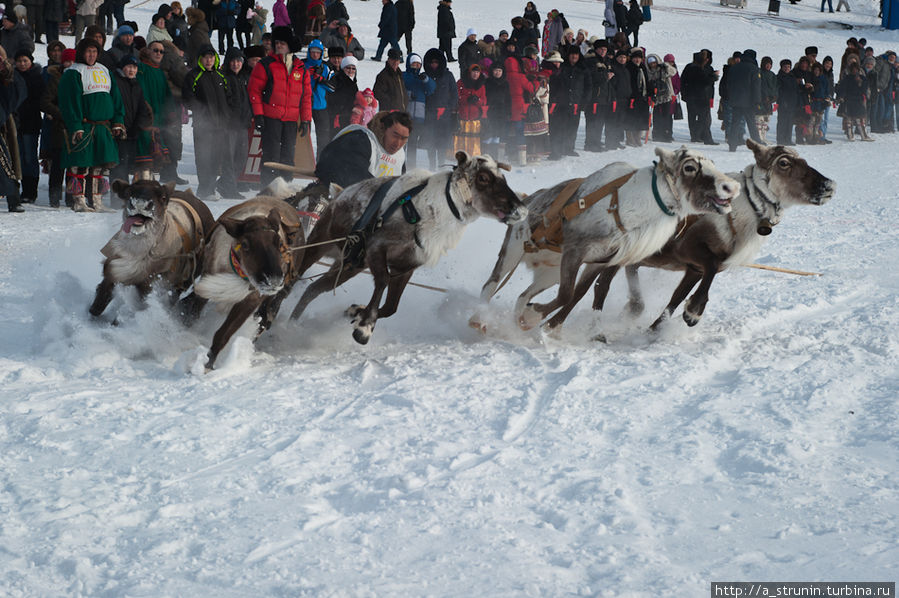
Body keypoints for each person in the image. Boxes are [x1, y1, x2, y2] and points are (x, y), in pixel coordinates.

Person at [58, 38, 126, 211]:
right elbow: (70, 103)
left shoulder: (105, 71)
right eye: (88, 51)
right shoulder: (73, 72)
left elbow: (116, 98)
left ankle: (97, 201)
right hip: (85, 126)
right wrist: (75, 126)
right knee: (80, 165)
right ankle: (78, 201)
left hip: (103, 127)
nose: (91, 55)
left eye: (94, 51)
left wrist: (118, 121)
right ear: (81, 52)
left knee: (100, 166)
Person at [247, 26, 312, 186]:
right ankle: (268, 187)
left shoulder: (301, 68)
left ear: (290, 44)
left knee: (288, 156)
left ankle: (286, 187)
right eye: (277, 43)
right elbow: (254, 91)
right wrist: (259, 115)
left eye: (282, 43)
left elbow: (306, 96)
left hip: (290, 120)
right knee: (271, 156)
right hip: (271, 118)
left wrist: (305, 120)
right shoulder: (265, 64)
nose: (279, 46)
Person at [183, 45, 233, 198]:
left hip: (221, 125)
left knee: (216, 158)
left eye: (211, 57)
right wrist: (202, 111)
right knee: (204, 157)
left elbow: (229, 97)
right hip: (203, 125)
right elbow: (187, 98)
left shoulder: (221, 75)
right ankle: (204, 189)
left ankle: (210, 188)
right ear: (200, 59)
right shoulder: (193, 75)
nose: (209, 60)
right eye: (205, 57)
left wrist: (228, 115)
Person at [314, 110, 411, 188]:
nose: (398, 144)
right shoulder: (359, 139)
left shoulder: (400, 156)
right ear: (383, 128)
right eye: (395, 136)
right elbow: (349, 175)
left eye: (403, 139)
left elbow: (401, 193)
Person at [110, 54, 152, 183]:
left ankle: (125, 197)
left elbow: (142, 109)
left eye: (134, 67)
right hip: (118, 131)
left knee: (128, 165)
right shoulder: (116, 82)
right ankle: (117, 197)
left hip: (133, 132)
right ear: (122, 67)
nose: (132, 70)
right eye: (129, 66)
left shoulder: (136, 85)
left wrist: (138, 127)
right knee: (118, 166)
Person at [13, 50, 44, 203]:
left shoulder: (36, 77)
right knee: (17, 157)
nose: (22, 64)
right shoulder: (12, 77)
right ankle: (17, 190)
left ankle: (31, 191)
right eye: (19, 61)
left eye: (25, 61)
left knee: (29, 157)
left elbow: (39, 100)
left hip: (31, 123)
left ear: (30, 61)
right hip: (15, 123)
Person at [0, 46, 25, 212]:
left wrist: (7, 73)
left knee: (7, 164)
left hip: (4, 123)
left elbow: (19, 94)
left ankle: (14, 199)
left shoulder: (10, 76)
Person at [423, 47, 456, 169]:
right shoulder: (425, 76)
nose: (434, 65)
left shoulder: (448, 75)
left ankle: (441, 164)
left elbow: (454, 93)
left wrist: (449, 109)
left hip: (444, 115)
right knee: (430, 141)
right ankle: (432, 165)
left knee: (442, 141)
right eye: (431, 62)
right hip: (429, 113)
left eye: (436, 62)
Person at [725, 48, 762, 151]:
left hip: (736, 100)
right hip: (749, 102)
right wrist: (757, 101)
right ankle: (757, 144)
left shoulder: (734, 68)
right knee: (751, 124)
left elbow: (729, 84)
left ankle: (732, 144)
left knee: (735, 123)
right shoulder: (754, 69)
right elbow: (756, 87)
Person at [402, 52, 434, 168]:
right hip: (406, 115)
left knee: (413, 143)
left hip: (419, 116)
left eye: (418, 64)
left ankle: (411, 164)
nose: (416, 66)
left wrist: (426, 80)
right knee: (403, 142)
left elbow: (431, 89)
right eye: (414, 63)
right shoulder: (404, 75)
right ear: (409, 64)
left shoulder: (423, 77)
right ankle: (401, 164)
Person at [680, 49, 718, 144]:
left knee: (694, 117)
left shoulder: (690, 67)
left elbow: (683, 81)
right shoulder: (697, 69)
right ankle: (702, 137)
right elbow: (705, 82)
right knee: (703, 118)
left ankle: (696, 136)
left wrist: (684, 94)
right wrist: (714, 77)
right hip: (701, 97)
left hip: (694, 97)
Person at [304, 39, 333, 157]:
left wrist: (320, 79)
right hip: (305, 105)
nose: (315, 54)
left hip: (321, 106)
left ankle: (321, 160)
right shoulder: (302, 65)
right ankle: (305, 160)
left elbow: (332, 88)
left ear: (321, 53)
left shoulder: (325, 68)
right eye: (313, 51)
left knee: (323, 137)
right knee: (304, 136)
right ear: (309, 52)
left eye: (317, 52)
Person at [482, 59, 509, 161]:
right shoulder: (487, 82)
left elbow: (508, 98)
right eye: (496, 70)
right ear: (492, 71)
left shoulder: (505, 83)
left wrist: (508, 112)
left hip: (501, 111)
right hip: (490, 111)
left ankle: (495, 157)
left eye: (499, 71)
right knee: (489, 133)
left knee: (498, 134)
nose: (497, 73)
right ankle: (486, 157)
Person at [646, 52, 675, 143]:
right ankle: (657, 133)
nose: (652, 64)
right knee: (656, 116)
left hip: (666, 95)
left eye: (654, 62)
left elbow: (673, 72)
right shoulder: (648, 72)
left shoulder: (663, 69)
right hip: (655, 96)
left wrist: (666, 65)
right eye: (650, 63)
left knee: (666, 115)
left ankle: (666, 134)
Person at [328, 55, 358, 133]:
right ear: (343, 68)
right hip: (337, 116)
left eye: (353, 68)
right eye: (348, 68)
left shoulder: (353, 82)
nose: (351, 70)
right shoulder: (336, 79)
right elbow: (332, 97)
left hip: (349, 116)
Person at [373, 47, 407, 112]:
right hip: (388, 113)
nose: (395, 62)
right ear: (388, 60)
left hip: (400, 112)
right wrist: (392, 101)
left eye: (397, 60)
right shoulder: (383, 75)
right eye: (393, 60)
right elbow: (377, 93)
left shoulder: (399, 75)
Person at [776, 58, 798, 144]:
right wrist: (782, 100)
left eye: (788, 67)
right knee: (782, 121)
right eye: (785, 67)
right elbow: (779, 90)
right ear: (781, 67)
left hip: (792, 103)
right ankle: (780, 139)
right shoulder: (779, 77)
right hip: (783, 103)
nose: (787, 68)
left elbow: (796, 89)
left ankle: (788, 139)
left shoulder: (792, 77)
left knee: (790, 122)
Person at [757, 56, 777, 144]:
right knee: (759, 119)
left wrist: (774, 96)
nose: (768, 66)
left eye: (770, 64)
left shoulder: (772, 75)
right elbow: (760, 87)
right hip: (761, 100)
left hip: (769, 101)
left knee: (766, 120)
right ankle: (759, 138)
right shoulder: (759, 73)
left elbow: (775, 87)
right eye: (767, 64)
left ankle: (764, 137)